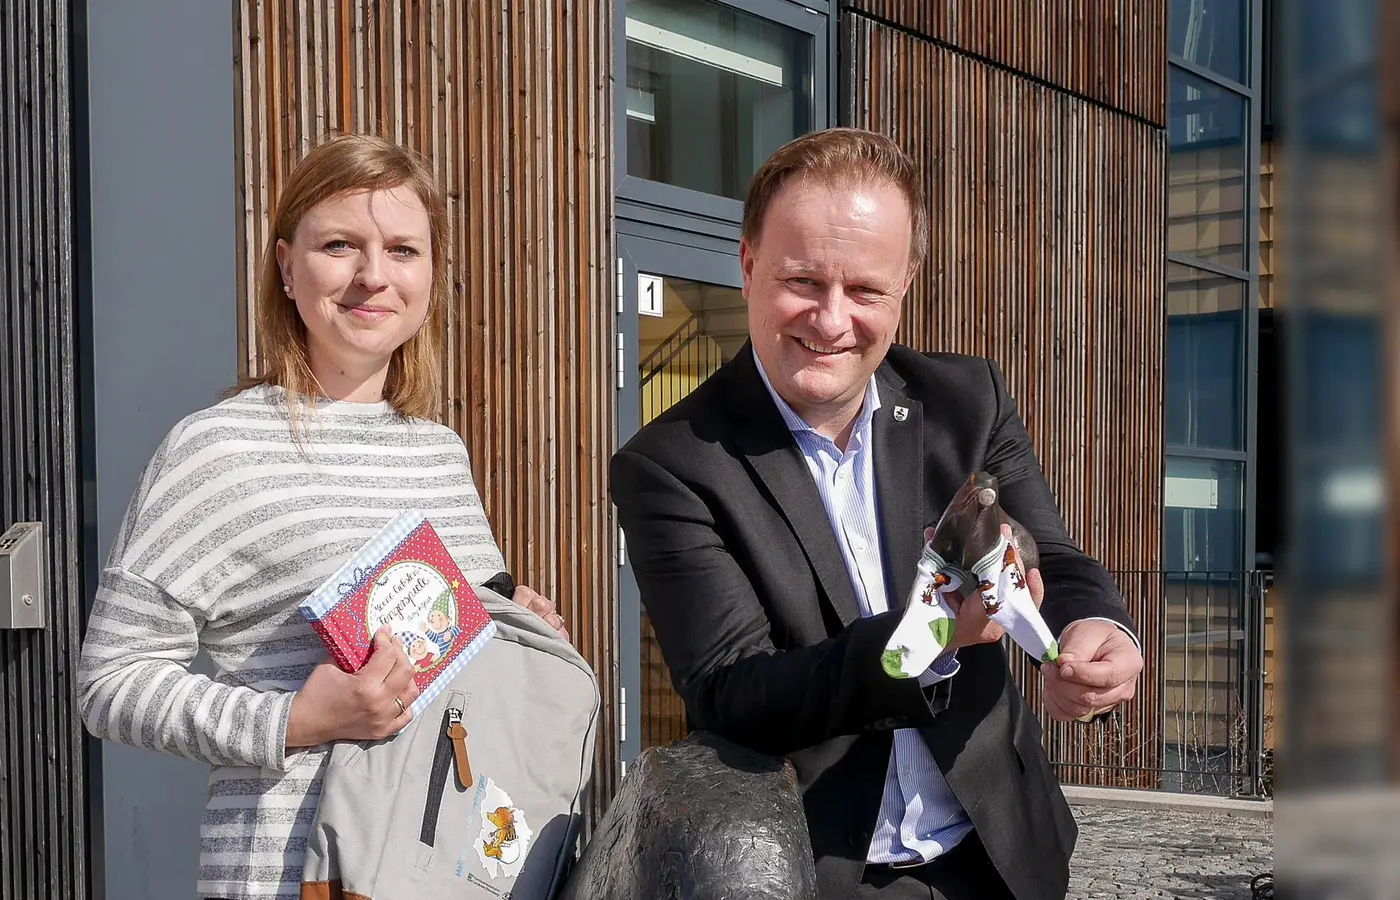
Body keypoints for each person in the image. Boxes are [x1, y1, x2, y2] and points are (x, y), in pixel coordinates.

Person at [609, 128, 1144, 900]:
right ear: (750, 264)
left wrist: (1097, 628)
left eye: (865, 291)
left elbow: (1047, 557)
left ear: (906, 283)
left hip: (1004, 853)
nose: (830, 321)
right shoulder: (673, 463)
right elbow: (734, 693)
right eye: (802, 281)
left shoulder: (968, 402)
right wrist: (926, 638)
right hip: (827, 871)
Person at [76, 132, 567, 900]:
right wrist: (293, 722)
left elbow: (459, 650)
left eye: (403, 250)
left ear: (432, 274)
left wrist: (516, 624)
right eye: (340, 244)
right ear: (285, 266)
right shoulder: (218, 448)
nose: (374, 276)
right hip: (286, 878)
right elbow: (110, 683)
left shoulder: (439, 451)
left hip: (439, 871)